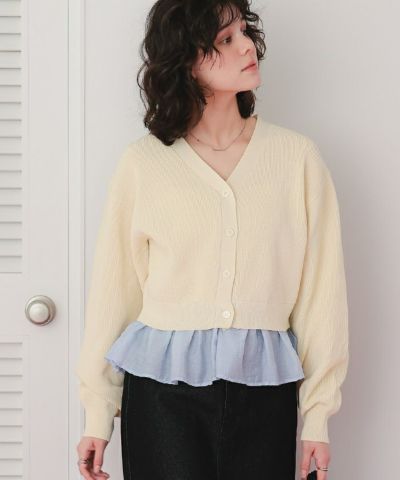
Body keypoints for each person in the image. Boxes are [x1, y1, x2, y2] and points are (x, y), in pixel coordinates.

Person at [75, 1, 349, 479]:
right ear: (186, 61)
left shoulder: (296, 159)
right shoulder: (144, 164)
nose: (247, 47)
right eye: (225, 40)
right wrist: (98, 412)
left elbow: (322, 295)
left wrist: (317, 418)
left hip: (264, 394)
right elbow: (114, 293)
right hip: (161, 398)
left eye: (244, 32)